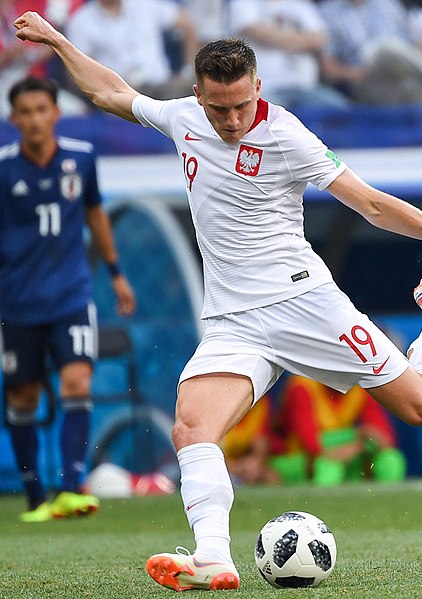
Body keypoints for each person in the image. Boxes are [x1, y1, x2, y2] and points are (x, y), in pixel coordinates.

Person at [11, 10, 422, 591]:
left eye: (241, 106)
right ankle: (213, 559)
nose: (230, 120)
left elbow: (371, 204)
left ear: (259, 89)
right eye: (217, 107)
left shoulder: (286, 134)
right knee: (191, 428)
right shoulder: (182, 118)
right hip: (232, 319)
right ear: (197, 93)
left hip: (304, 303)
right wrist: (54, 38)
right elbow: (108, 90)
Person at [0, 76, 136, 523]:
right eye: (26, 112)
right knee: (23, 396)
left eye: (43, 109)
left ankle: (70, 487)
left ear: (55, 113)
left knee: (77, 382)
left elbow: (95, 213)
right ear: (14, 118)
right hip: (17, 301)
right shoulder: (3, 169)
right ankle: (36, 497)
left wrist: (116, 274)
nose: (35, 119)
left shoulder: (81, 158)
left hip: (71, 296)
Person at [272, 376, 406, 485]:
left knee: (391, 458)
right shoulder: (302, 386)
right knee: (328, 466)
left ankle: (390, 508)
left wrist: (362, 444)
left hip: (349, 454)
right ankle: (324, 509)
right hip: (302, 461)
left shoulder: (360, 387)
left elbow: (385, 440)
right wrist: (359, 443)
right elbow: (313, 448)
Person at [65, 0, 198, 102]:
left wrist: (187, 71)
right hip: (120, 93)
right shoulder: (81, 20)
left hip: (162, 84)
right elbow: (77, 68)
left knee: (186, 96)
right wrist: (106, 91)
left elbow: (188, 25)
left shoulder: (145, 5)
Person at [228, 0, 350, 109]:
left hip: (305, 87)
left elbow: (320, 39)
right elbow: (254, 30)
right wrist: (302, 41)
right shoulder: (244, 3)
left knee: (340, 107)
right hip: (263, 88)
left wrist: (278, 39)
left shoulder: (301, 5)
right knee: (263, 114)